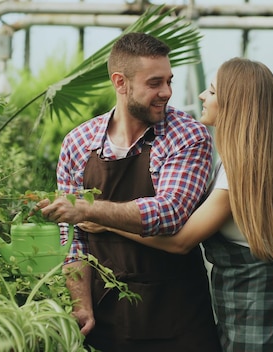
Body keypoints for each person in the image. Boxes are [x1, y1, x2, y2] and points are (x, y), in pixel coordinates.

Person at [80, 57, 273, 352]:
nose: (202, 96)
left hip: (258, 308)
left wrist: (106, 220)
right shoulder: (237, 162)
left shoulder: (242, 171)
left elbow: (181, 242)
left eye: (211, 92)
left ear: (233, 103)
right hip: (244, 304)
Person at [37, 32, 221, 351]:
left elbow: (170, 213)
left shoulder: (188, 137)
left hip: (176, 320)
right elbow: (74, 240)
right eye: (154, 83)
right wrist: (81, 305)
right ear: (120, 83)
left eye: (169, 81)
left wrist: (89, 210)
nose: (166, 92)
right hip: (106, 320)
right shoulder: (78, 143)